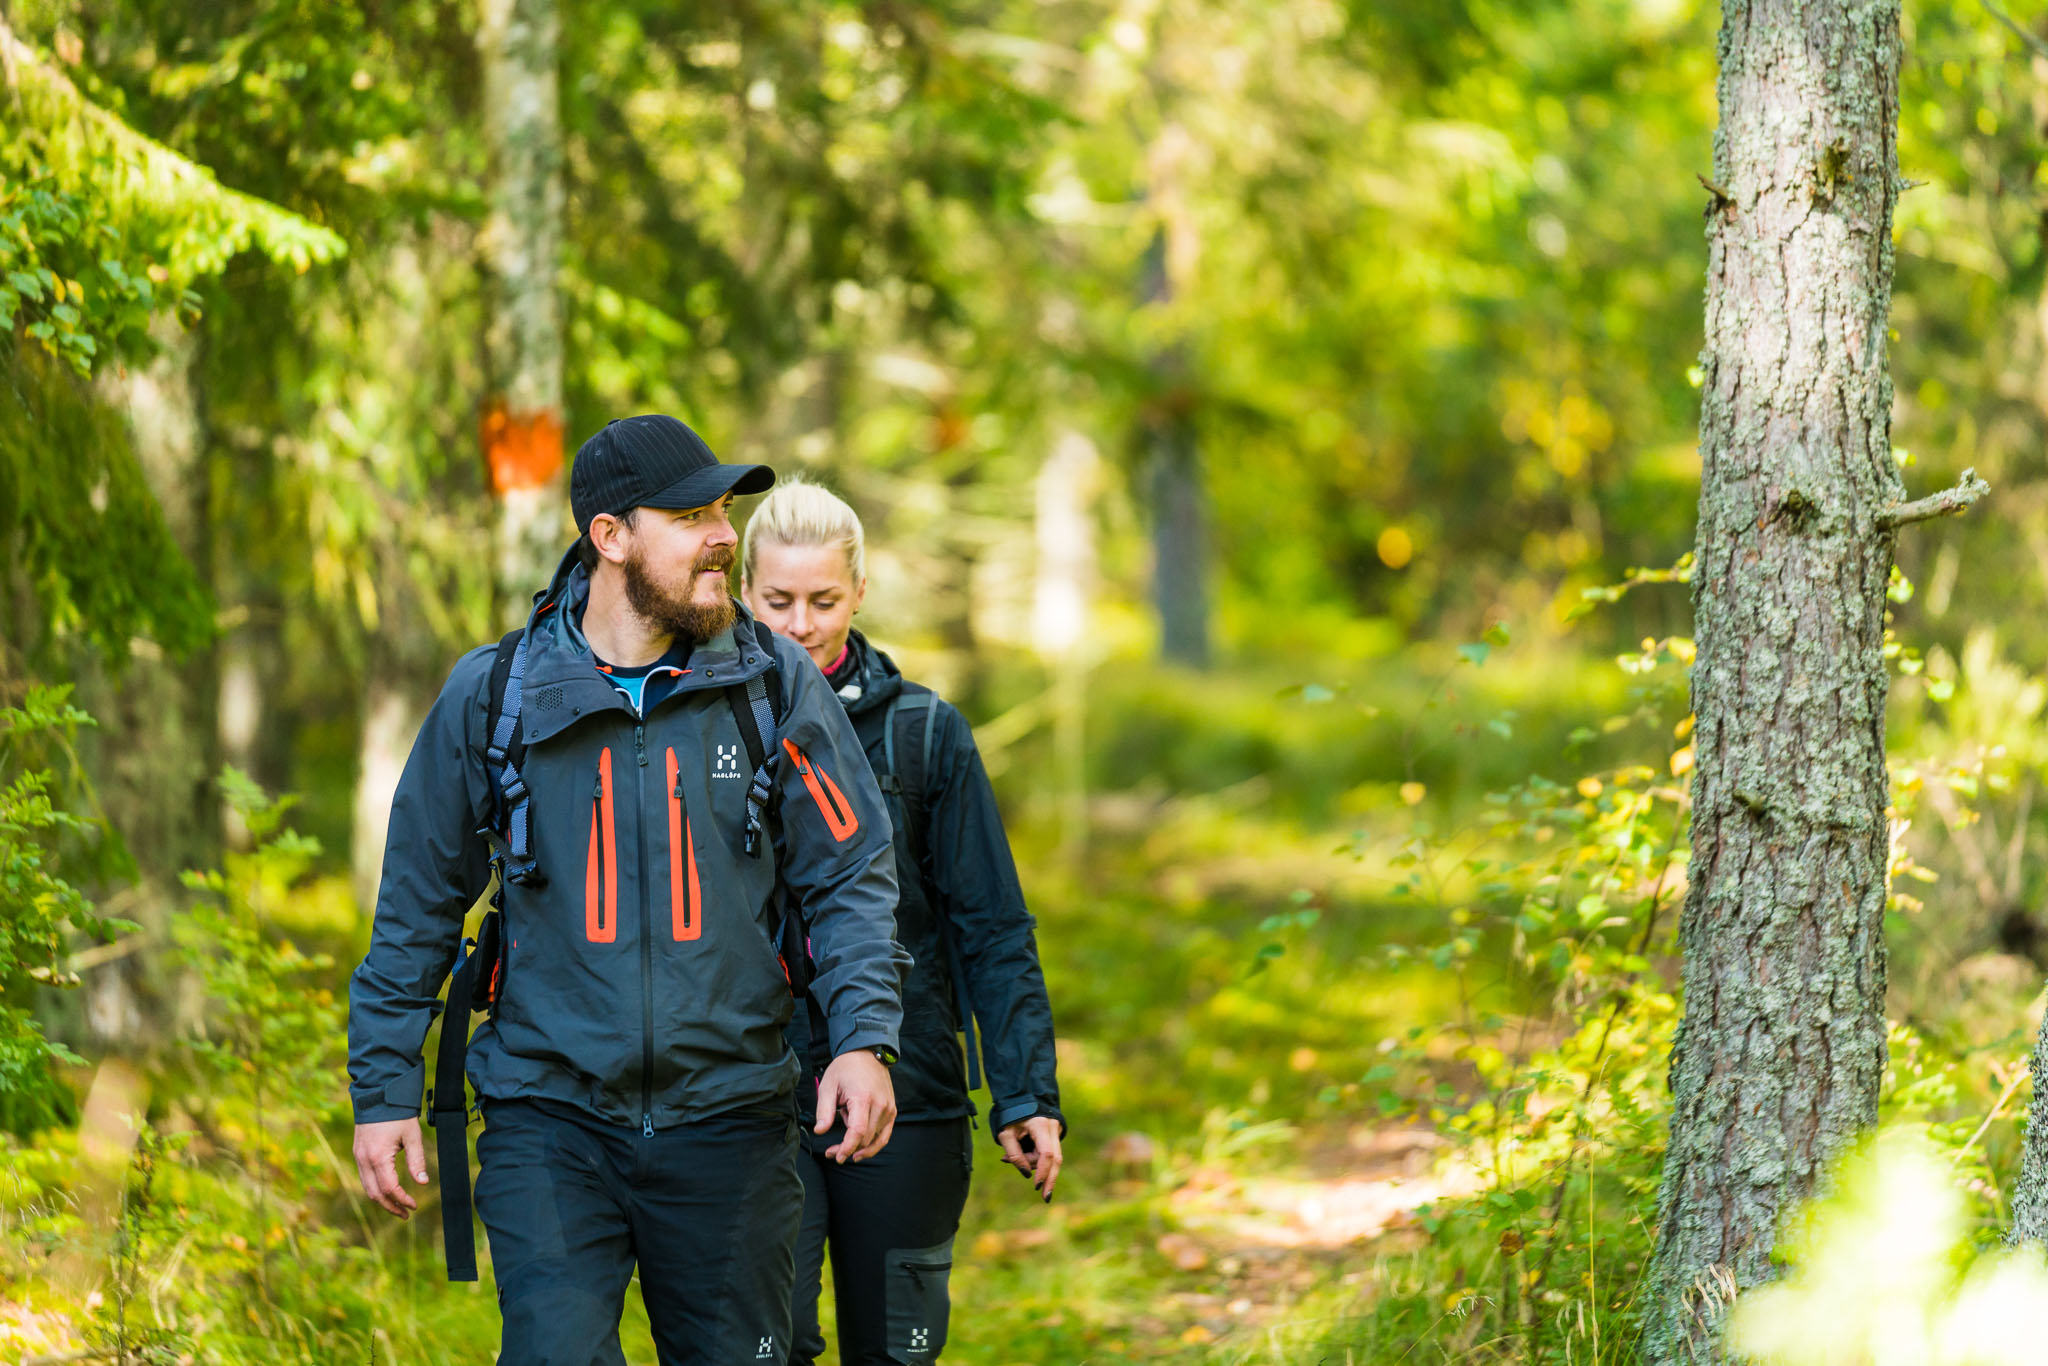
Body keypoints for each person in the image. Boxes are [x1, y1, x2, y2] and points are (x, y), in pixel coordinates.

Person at [347, 416, 911, 1366]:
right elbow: (417, 901)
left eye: (724, 510)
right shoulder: (499, 697)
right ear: (611, 537)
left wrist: (862, 1038)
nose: (724, 535)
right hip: (551, 1119)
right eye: (691, 515)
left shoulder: (770, 687)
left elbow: (849, 872)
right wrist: (383, 1087)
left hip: (733, 1121)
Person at [740, 476, 1065, 1366]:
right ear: (741, 591)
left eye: (823, 600)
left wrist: (1025, 1088)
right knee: (765, 1348)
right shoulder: (706, 730)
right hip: (750, 1103)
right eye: (777, 602)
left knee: (898, 1352)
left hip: (908, 1099)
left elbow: (991, 926)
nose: (800, 625)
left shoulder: (926, 733)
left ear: (861, 593)